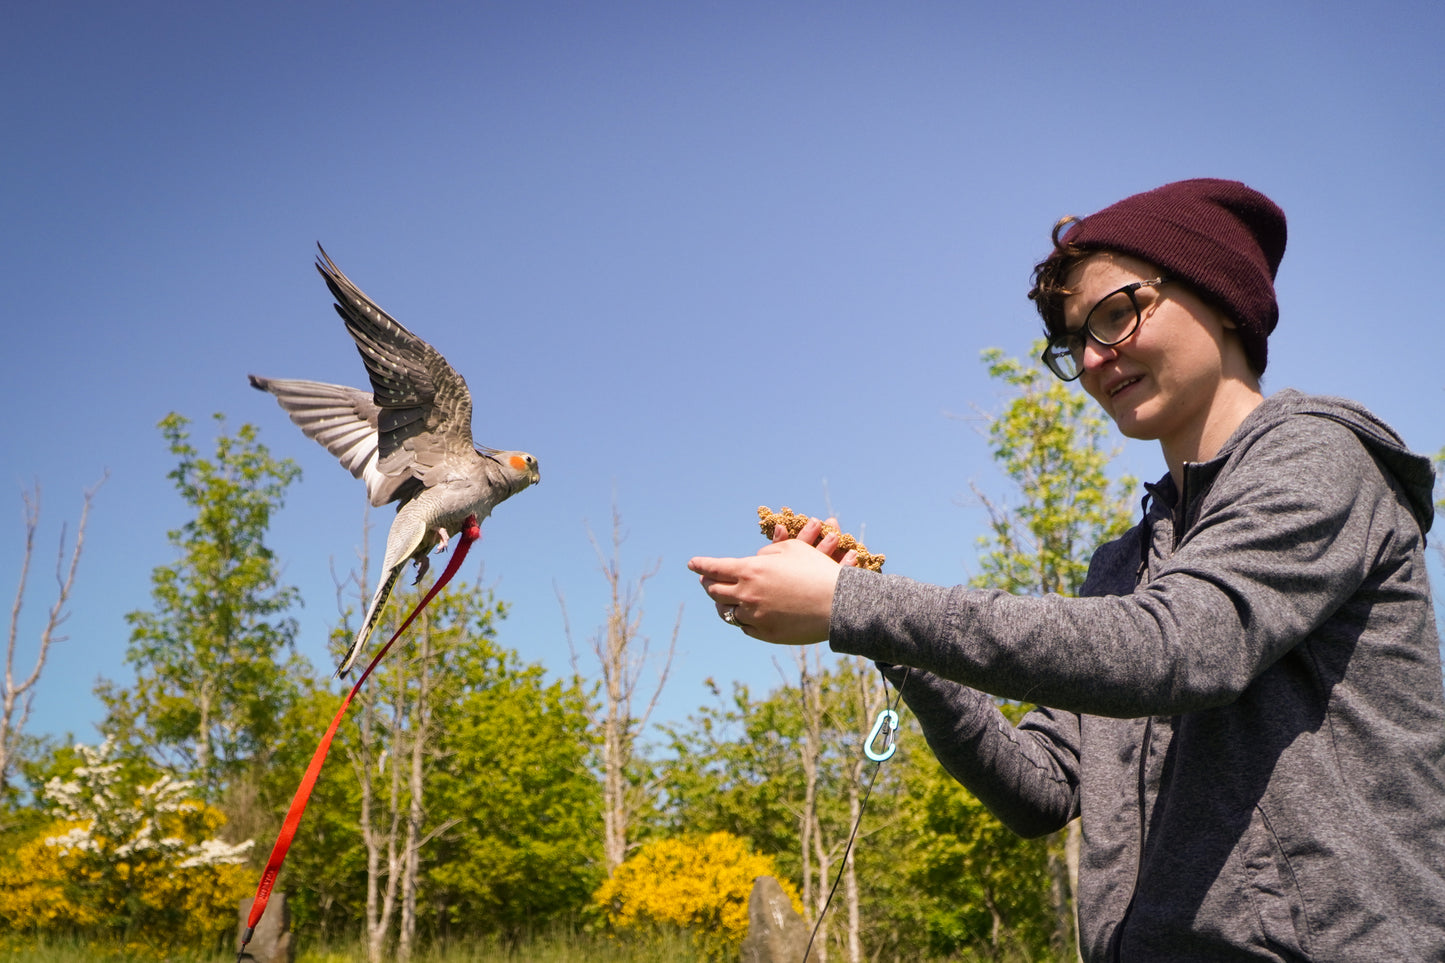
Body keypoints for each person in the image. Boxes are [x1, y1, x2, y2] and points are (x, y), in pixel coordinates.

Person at [689, 178, 1445, 961]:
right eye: (1073, 340)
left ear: (1220, 298)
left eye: (1116, 314)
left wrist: (854, 602)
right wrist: (884, 630)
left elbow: (1175, 647)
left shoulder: (1317, 457)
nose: (1091, 357)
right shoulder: (1123, 567)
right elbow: (1042, 786)